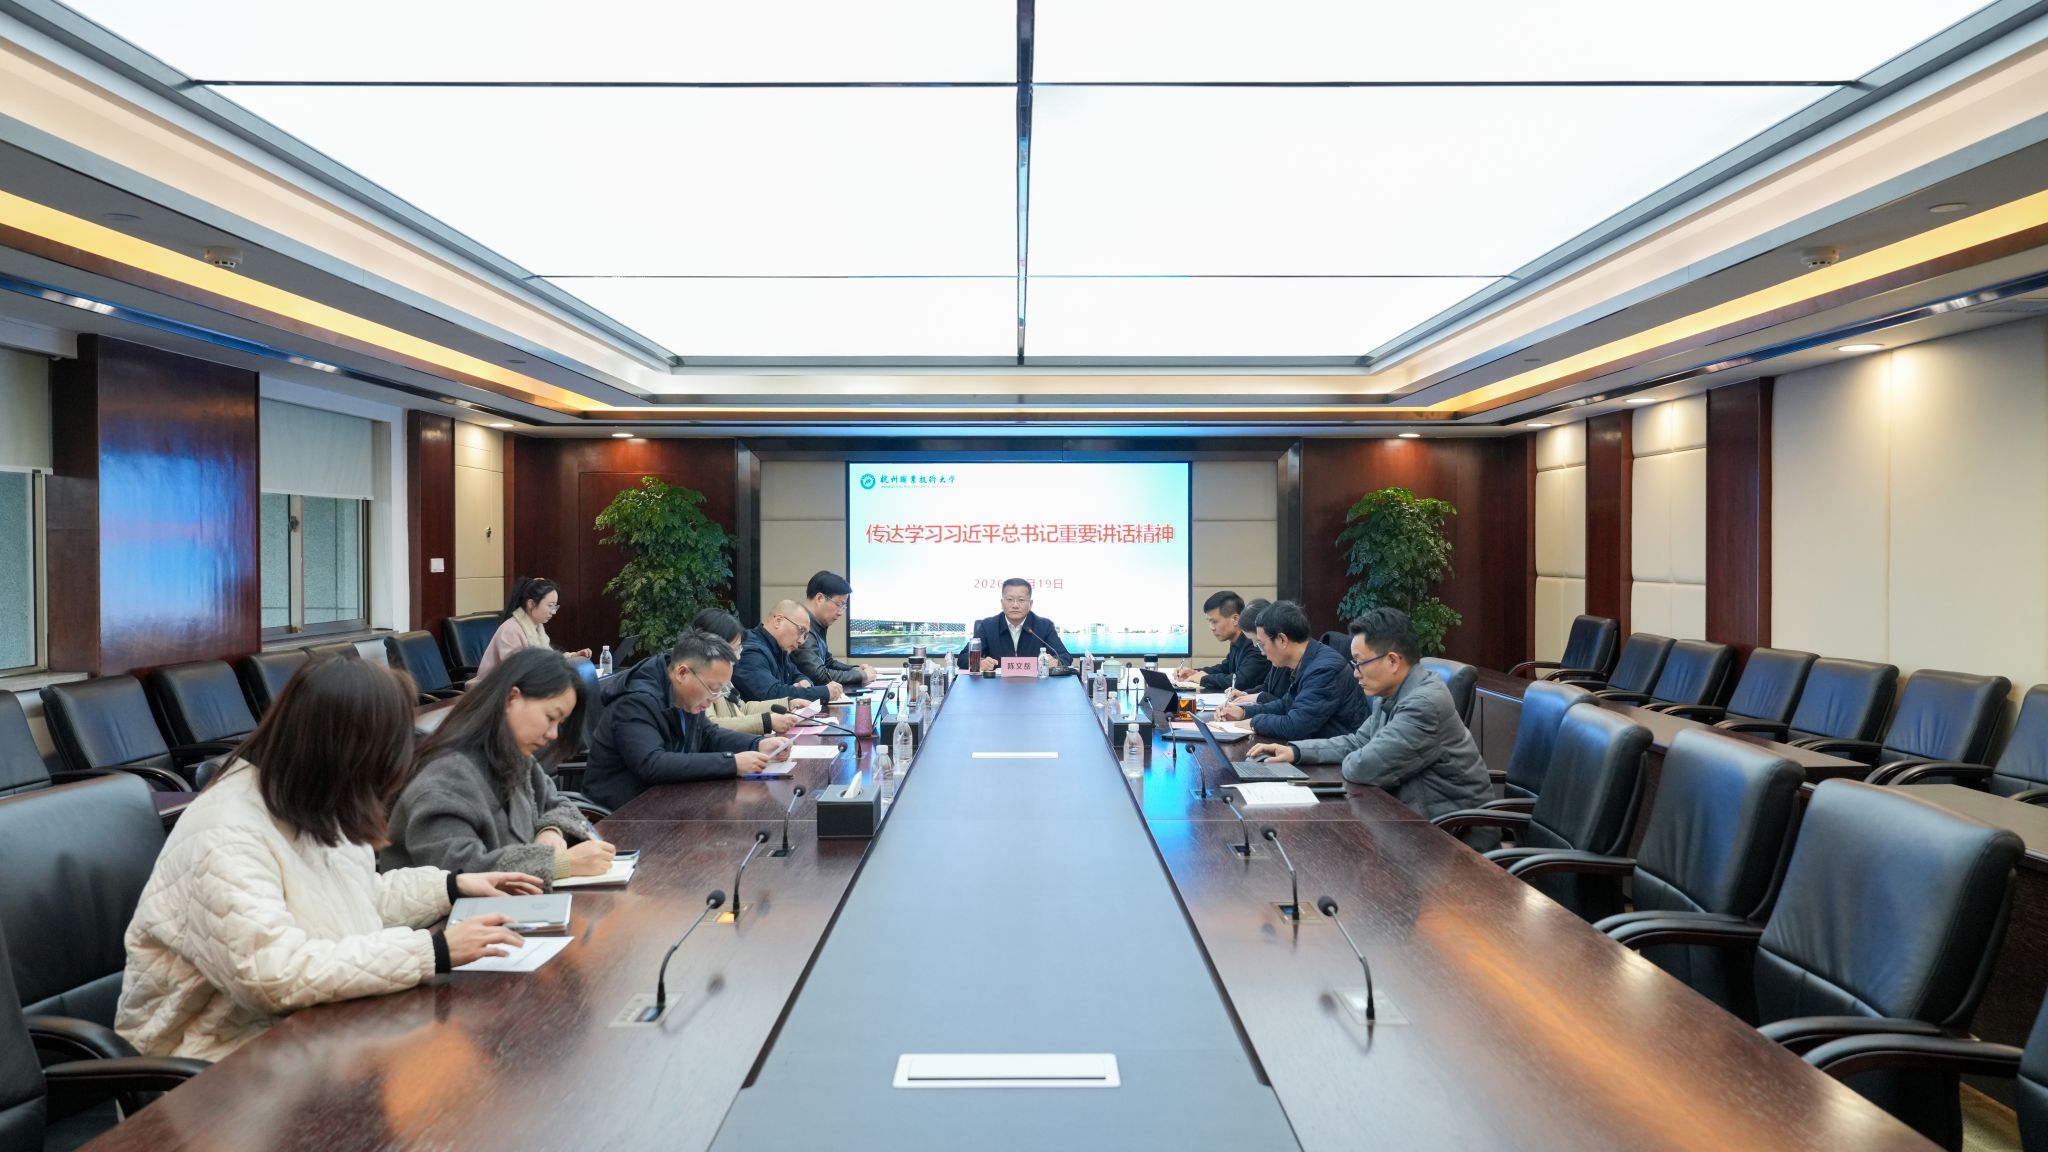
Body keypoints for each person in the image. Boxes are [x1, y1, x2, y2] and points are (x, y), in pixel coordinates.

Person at [117, 656, 541, 1061]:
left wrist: (451, 886)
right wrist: (433, 951)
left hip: (306, 1033)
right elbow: (271, 973)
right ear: (342, 753)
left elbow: (353, 901)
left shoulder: (312, 802)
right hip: (215, 1057)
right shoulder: (225, 831)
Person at [1247, 608, 1494, 847]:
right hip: (1409, 819)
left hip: (1452, 838)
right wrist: (1296, 751)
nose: (1355, 673)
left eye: (1360, 663)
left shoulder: (1424, 704)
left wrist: (1357, 753)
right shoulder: (1392, 693)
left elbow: (1363, 767)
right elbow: (1357, 741)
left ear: (1393, 661)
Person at [381, 648, 616, 886]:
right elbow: (458, 873)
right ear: (511, 698)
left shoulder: (516, 757)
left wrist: (551, 830)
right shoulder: (445, 777)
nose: (553, 734)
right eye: (550, 717)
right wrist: (560, 863)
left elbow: (559, 805)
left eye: (560, 723)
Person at [584, 629, 795, 809]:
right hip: (623, 813)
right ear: (682, 673)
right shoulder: (636, 701)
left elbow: (707, 734)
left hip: (669, 801)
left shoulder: (683, 693)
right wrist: (732, 763)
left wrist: (757, 744)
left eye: (721, 691)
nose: (714, 699)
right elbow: (652, 764)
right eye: (713, 689)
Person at [1214, 600, 1365, 741]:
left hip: (1336, 756)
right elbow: (1285, 705)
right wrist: (1243, 712)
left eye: (1261, 644)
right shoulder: (1309, 658)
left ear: (1282, 639)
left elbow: (1296, 726)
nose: (1262, 652)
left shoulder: (1324, 669)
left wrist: (1253, 722)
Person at [690, 607, 803, 737]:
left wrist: (788, 703)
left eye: (740, 648)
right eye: (735, 649)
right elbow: (710, 726)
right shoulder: (695, 678)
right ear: (712, 648)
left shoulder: (719, 675)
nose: (738, 657)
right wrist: (766, 722)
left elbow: (742, 709)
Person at [474, 576, 591, 682]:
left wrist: (572, 657)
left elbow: (547, 659)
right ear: (531, 604)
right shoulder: (510, 629)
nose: (554, 612)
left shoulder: (536, 627)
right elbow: (515, 671)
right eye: (550, 605)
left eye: (555, 606)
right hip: (493, 691)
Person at [736, 600, 845, 705]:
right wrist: (824, 692)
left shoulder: (779, 648)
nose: (801, 641)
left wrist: (804, 681)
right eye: (801, 630)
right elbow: (771, 694)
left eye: (805, 636)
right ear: (778, 621)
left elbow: (796, 674)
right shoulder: (750, 651)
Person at [962, 578, 1071, 672]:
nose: (1015, 605)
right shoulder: (988, 626)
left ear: (1030, 604)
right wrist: (979, 663)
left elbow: (1064, 656)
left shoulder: (1044, 626)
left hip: (1035, 685)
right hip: (997, 685)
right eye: (1009, 599)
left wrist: (1056, 662)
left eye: (1021, 600)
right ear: (1002, 603)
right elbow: (963, 657)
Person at [1174, 590, 1270, 695]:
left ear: (1235, 619)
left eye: (1214, 621)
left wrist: (1204, 678)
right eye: (1209, 622)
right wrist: (1195, 672)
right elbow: (1226, 668)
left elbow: (1241, 681)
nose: (1211, 627)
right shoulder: (1237, 641)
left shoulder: (1255, 643)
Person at [793, 571, 874, 689]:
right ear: (820, 598)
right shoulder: (801, 626)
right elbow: (818, 675)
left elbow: (828, 663)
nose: (841, 612)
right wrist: (862, 675)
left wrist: (855, 670)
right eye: (839, 604)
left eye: (844, 607)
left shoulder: (817, 624)